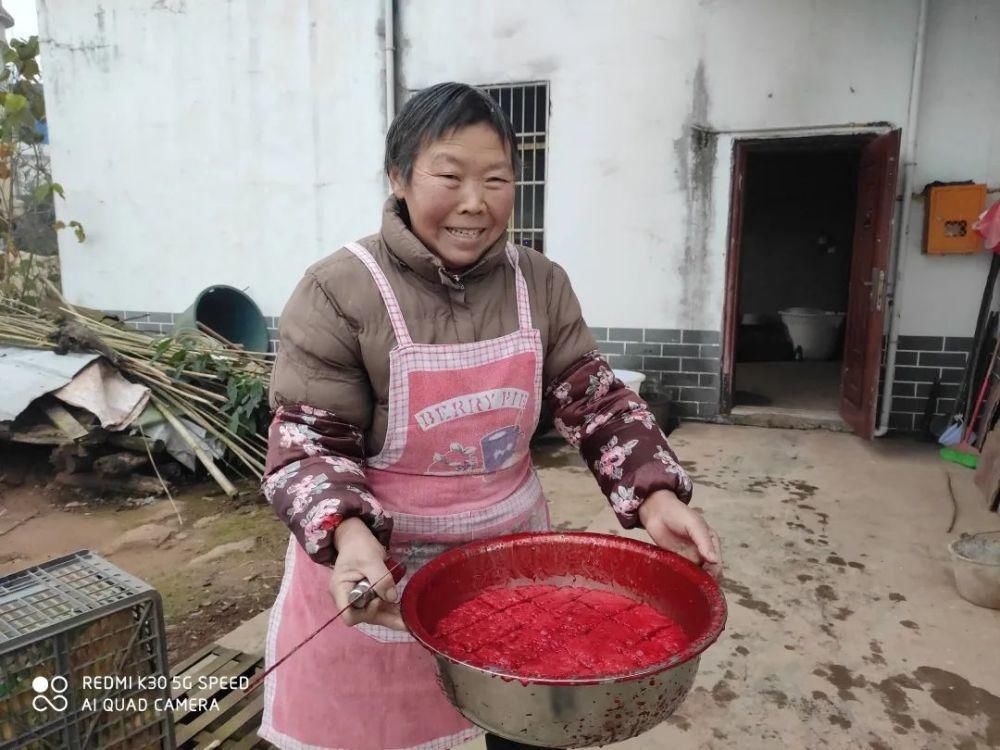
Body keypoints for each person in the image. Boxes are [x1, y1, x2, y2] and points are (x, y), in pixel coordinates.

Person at [259, 82, 722, 750]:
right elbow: (309, 443)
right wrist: (349, 537)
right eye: (450, 176)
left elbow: (597, 402)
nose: (475, 203)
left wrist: (654, 497)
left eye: (498, 179)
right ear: (398, 177)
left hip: (511, 576)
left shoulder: (540, 284)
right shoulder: (341, 289)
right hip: (379, 580)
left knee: (524, 725)